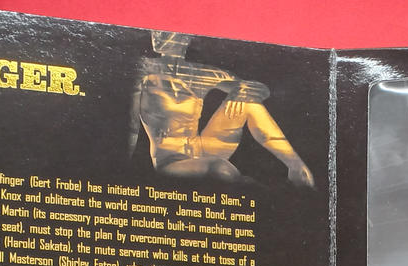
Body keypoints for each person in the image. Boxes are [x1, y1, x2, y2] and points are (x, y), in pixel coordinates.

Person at [132, 31, 314, 186]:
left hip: (202, 148)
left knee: (248, 101)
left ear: (185, 37)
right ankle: (259, 191)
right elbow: (131, 125)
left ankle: (296, 167)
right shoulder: (145, 70)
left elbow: (260, 91)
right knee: (221, 169)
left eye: (165, 32)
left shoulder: (199, 73)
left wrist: (243, 90)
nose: (157, 36)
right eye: (155, 32)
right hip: (170, 162)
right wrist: (123, 171)